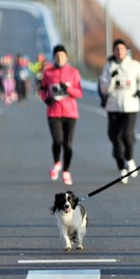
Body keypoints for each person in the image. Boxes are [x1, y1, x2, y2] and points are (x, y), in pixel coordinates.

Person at [98, 38, 140, 184]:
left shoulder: (134, 65)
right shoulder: (109, 67)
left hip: (130, 106)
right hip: (113, 106)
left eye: (122, 49)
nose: (119, 52)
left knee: (127, 134)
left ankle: (129, 159)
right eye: (116, 49)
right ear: (113, 51)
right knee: (114, 136)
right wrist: (112, 80)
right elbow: (103, 88)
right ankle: (122, 167)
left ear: (126, 51)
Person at [39, 45, 83, 186]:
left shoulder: (73, 72)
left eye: (62, 56)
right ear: (54, 57)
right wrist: (46, 99)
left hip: (70, 113)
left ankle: (66, 171)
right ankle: (57, 163)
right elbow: (42, 89)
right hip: (54, 112)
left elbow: (79, 93)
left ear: (66, 57)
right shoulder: (48, 72)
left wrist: (68, 88)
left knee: (67, 144)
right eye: (57, 56)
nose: (60, 58)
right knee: (57, 141)